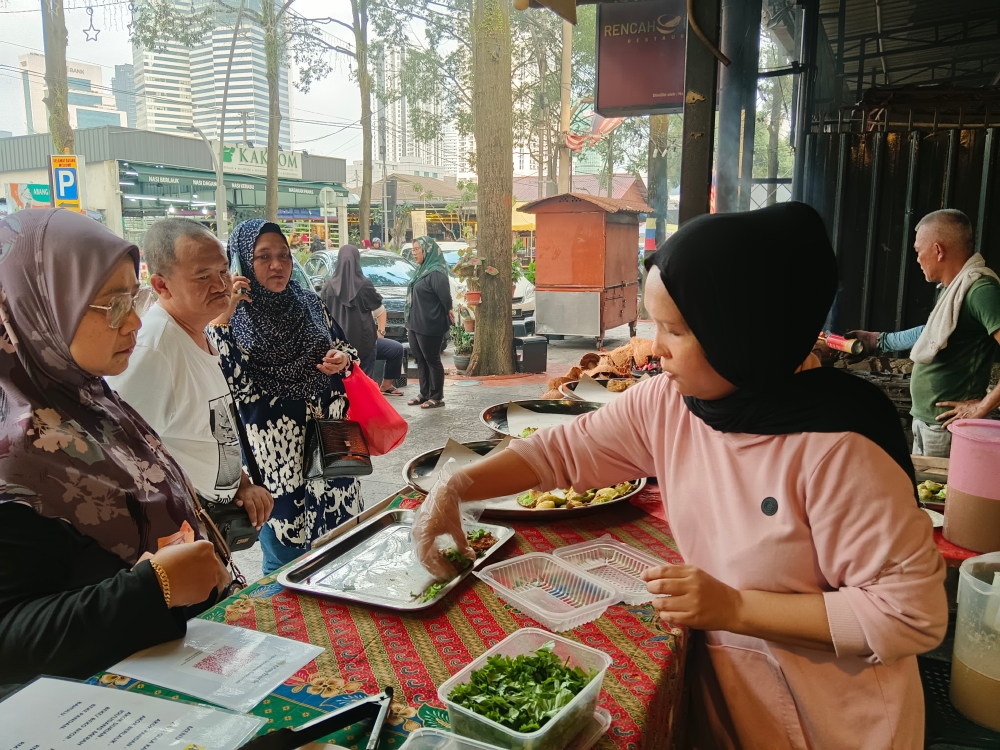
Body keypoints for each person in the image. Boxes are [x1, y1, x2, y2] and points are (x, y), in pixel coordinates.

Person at [413, 203, 947, 748]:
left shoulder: (838, 448)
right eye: (654, 324)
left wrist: (735, 607)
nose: (656, 348)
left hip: (836, 720)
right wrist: (453, 486)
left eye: (676, 329)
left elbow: (909, 616)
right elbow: (559, 452)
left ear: (741, 331)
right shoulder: (671, 403)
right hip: (736, 702)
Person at [0, 209, 231, 692]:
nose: (134, 323)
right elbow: (11, 639)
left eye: (134, 298)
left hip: (179, 666)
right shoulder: (17, 452)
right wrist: (154, 589)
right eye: (113, 306)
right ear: (42, 307)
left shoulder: (87, 398)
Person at [209, 219, 363, 575]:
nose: (276, 265)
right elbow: (232, 383)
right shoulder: (231, 320)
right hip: (279, 460)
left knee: (342, 546)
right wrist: (226, 313)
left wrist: (342, 360)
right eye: (262, 257)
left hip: (332, 444)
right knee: (285, 562)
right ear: (241, 263)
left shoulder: (309, 301)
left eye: (283, 255)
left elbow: (345, 349)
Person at [107, 218, 273, 529]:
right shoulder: (153, 350)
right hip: (176, 530)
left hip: (209, 523)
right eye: (202, 276)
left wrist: (242, 484)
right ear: (161, 285)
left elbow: (204, 434)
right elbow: (118, 457)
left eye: (223, 271)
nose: (221, 284)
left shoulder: (197, 332)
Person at [850, 209, 1000, 457]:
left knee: (939, 495)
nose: (918, 259)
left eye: (919, 251)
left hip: (949, 427)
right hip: (930, 423)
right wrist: (877, 340)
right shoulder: (955, 289)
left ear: (938, 250)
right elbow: (931, 334)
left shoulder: (980, 290)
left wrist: (982, 406)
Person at [320, 244, 405, 396]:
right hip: (364, 343)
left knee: (341, 385)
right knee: (364, 382)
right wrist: (380, 331)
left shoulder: (328, 287)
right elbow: (377, 305)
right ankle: (366, 416)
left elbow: (323, 315)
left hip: (337, 344)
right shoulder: (364, 285)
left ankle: (347, 415)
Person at [406, 236, 453, 409]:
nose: (414, 253)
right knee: (420, 358)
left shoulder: (436, 273)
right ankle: (424, 393)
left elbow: (445, 299)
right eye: (413, 249)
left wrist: (448, 312)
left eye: (417, 249)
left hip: (430, 323)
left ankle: (437, 396)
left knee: (432, 359)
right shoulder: (420, 271)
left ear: (428, 250)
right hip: (415, 323)